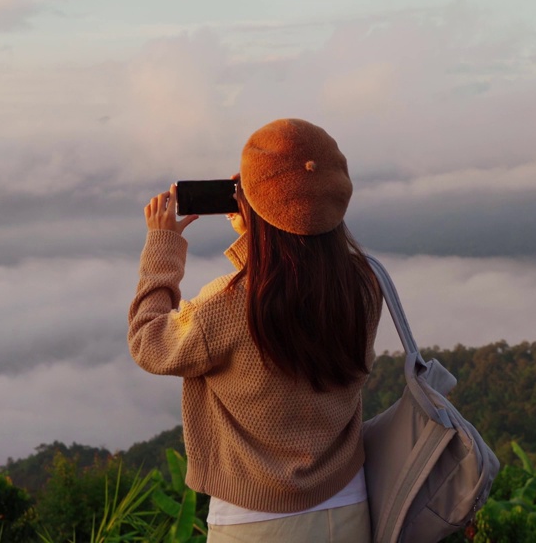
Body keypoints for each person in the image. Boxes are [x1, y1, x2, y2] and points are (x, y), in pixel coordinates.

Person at [129, 118, 382, 543]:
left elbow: (148, 342)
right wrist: (263, 227)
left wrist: (162, 246)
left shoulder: (226, 307)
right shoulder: (363, 285)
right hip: (349, 505)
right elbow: (297, 285)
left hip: (255, 523)